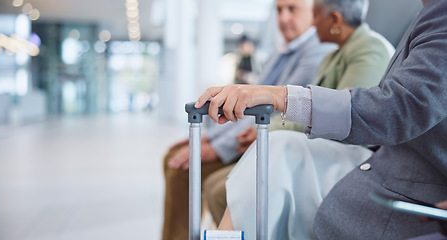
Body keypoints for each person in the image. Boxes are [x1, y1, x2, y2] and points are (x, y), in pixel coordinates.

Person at [195, 0, 447, 239]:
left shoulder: (374, 45)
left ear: (335, 19)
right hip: (379, 158)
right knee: (259, 165)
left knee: (272, 156)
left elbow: (390, 110)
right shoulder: (333, 55)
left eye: (313, 14)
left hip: (392, 171)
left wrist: (283, 97)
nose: (311, 23)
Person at [161, 0, 336, 239]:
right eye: (279, 10)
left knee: (181, 169)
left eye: (292, 9)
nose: (283, 18)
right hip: (250, 137)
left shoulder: (315, 52)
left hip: (263, 142)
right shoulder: (281, 51)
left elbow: (270, 111)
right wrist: (209, 138)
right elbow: (249, 102)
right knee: (173, 158)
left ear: (313, 13)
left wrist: (218, 148)